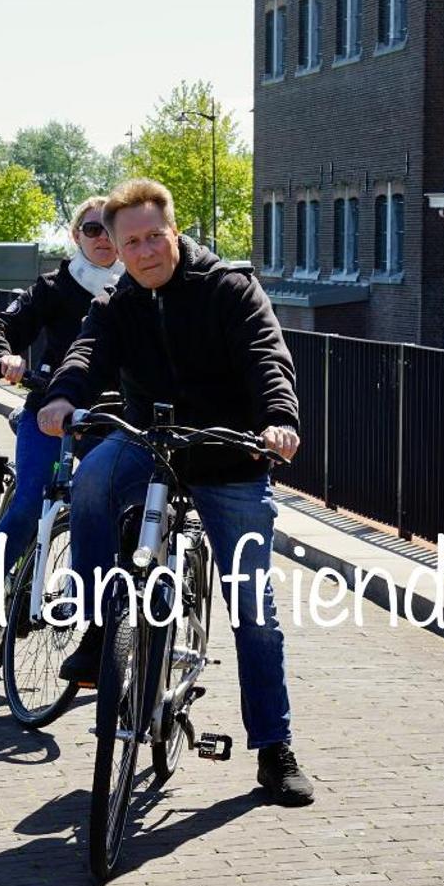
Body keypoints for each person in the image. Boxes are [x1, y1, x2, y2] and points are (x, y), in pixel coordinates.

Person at [36, 178, 315, 807]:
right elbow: (87, 353)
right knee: (91, 481)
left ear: (174, 230)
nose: (143, 250)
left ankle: (274, 748)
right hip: (151, 441)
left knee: (254, 608)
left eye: (153, 236)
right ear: (115, 245)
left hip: (227, 454)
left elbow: (267, 357)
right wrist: (61, 395)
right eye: (129, 241)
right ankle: (100, 629)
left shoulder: (229, 289)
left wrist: (279, 420)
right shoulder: (117, 302)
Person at [0, 197, 124, 633]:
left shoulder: (137, 287)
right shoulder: (54, 286)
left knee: (108, 505)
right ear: (75, 236)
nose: (103, 238)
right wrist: (4, 357)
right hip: (49, 410)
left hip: (112, 417)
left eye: (110, 228)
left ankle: (85, 594)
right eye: (92, 229)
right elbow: (2, 329)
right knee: (33, 498)